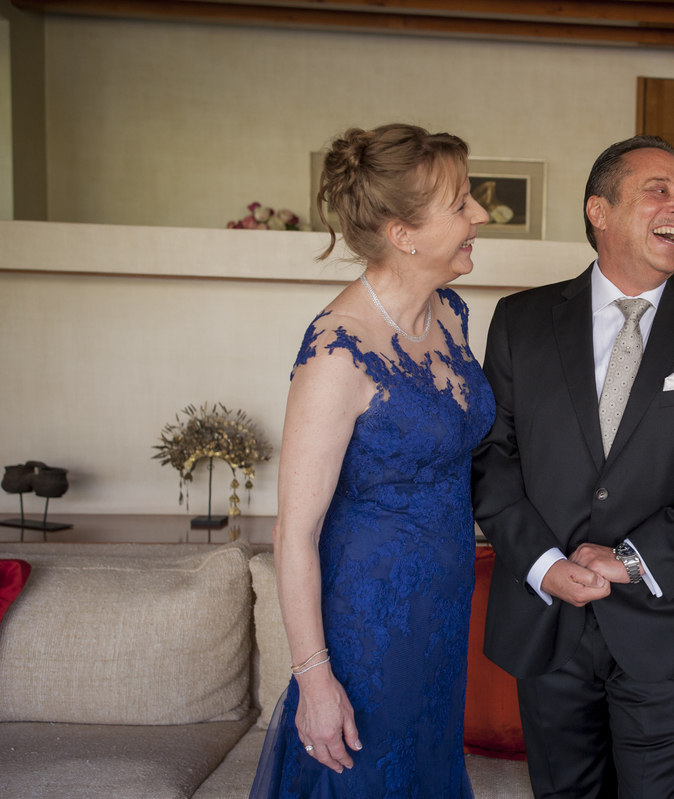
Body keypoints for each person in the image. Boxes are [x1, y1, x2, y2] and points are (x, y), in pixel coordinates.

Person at [471, 135, 674, 799]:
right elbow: (492, 457)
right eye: (660, 190)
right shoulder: (520, 320)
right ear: (599, 211)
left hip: (662, 623)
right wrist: (544, 563)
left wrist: (634, 559)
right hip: (547, 619)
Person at [250, 123, 494, 798]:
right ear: (402, 233)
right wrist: (314, 680)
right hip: (368, 624)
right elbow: (292, 534)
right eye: (461, 204)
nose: (480, 215)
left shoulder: (451, 314)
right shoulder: (338, 351)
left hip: (441, 615)